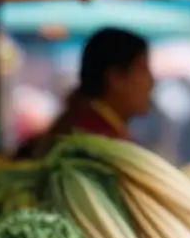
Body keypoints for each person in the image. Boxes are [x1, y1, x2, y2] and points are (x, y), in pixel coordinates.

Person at [17, 28, 153, 159]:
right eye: (143, 70)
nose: (151, 82)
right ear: (115, 78)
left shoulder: (80, 123)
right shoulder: (95, 140)